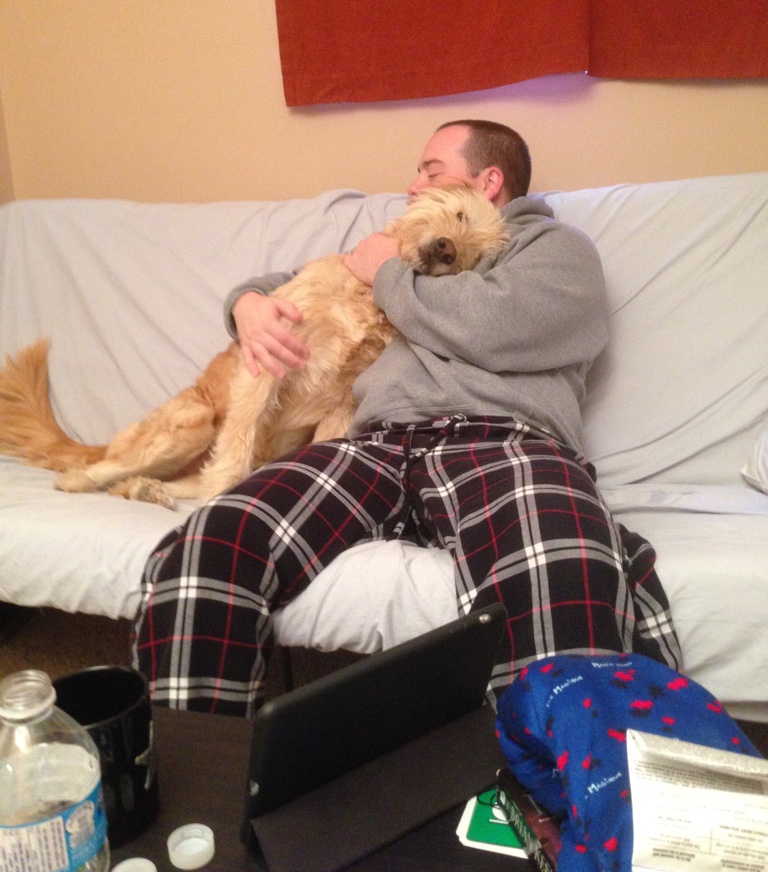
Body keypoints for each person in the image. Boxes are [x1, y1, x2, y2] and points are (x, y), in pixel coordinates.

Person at [132, 120, 681, 717]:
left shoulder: (553, 247)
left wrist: (387, 274)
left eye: (431, 171)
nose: (414, 185)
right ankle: (198, 770)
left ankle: (560, 772)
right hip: (373, 443)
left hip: (502, 442)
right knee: (213, 542)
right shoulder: (405, 241)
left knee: (558, 569)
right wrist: (247, 303)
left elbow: (496, 326)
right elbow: (313, 277)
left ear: (487, 182)